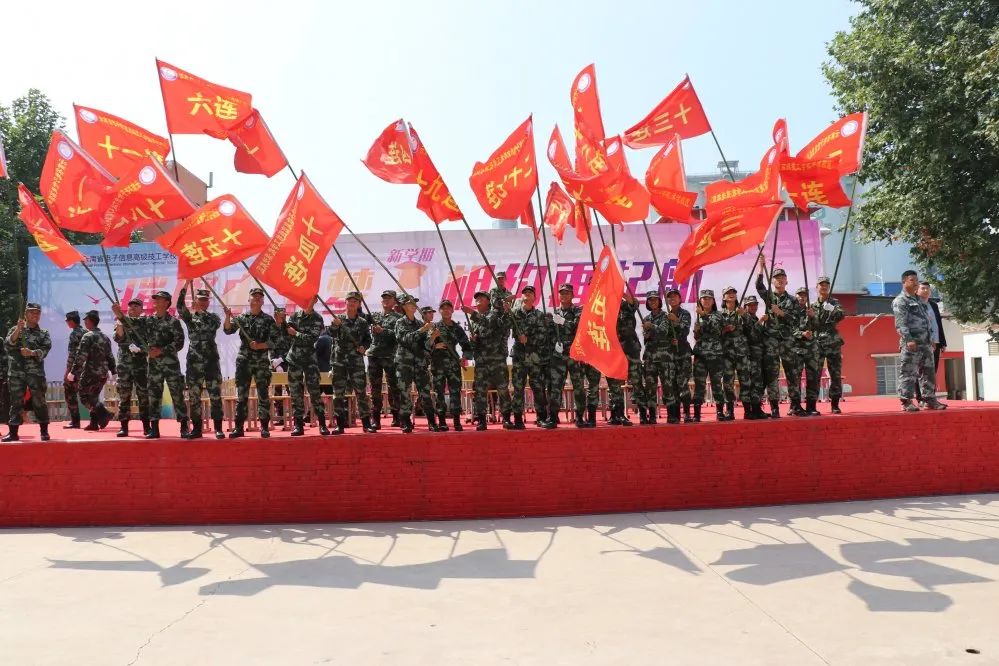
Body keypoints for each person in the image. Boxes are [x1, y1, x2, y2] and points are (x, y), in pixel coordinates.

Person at [114, 291, 189, 439]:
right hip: (154, 365)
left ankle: (184, 427)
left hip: (171, 365)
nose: (155, 301)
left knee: (177, 395)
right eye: (154, 299)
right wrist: (120, 315)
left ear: (166, 303)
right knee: (154, 396)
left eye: (158, 299)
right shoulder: (148, 320)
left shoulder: (174, 322)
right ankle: (154, 429)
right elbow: (131, 323)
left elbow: (179, 343)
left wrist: (161, 350)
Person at [223, 287, 279, 438]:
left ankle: (264, 427)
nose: (257, 299)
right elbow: (228, 330)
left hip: (261, 362)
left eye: (260, 297)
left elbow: (275, 341)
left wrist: (260, 346)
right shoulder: (241, 318)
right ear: (249, 300)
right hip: (244, 361)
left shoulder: (268, 320)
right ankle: (239, 427)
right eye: (254, 296)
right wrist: (227, 317)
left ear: (263, 301)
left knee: (263, 395)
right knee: (242, 396)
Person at [892, 270, 947, 412]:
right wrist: (909, 340)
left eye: (916, 280)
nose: (915, 283)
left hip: (926, 343)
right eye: (912, 280)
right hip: (912, 344)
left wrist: (931, 339)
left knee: (928, 373)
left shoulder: (919, 300)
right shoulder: (900, 300)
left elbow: (927, 321)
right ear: (904, 282)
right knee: (908, 373)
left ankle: (929, 399)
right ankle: (906, 401)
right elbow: (901, 324)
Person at [757, 257, 805, 416]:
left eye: (782, 278)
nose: (779, 280)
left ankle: (795, 405)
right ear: (773, 281)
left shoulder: (793, 300)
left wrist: (781, 313)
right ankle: (774, 407)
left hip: (787, 342)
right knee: (772, 374)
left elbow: (797, 320)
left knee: (792, 374)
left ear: (786, 281)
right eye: (776, 278)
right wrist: (761, 268)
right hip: (771, 341)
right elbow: (759, 286)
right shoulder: (769, 297)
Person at [177, 284, 224, 439]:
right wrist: (185, 285)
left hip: (211, 362)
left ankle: (218, 428)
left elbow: (213, 326)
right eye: (200, 300)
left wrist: (200, 311)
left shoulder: (214, 317)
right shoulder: (190, 318)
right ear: (195, 300)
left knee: (215, 396)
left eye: (205, 300)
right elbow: (179, 306)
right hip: (194, 362)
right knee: (194, 397)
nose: (203, 302)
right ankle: (197, 429)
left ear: (208, 302)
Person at [3, 303, 53, 442]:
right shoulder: (16, 329)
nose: (35, 315)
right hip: (16, 372)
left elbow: (45, 350)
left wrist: (32, 352)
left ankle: (44, 431)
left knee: (39, 401)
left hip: (35, 373)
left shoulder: (43, 333)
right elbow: (8, 344)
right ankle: (13, 432)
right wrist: (18, 329)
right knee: (16, 402)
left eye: (37, 313)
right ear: (25, 314)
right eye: (32, 312)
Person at [465, 290, 513, 431]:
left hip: (497, 360)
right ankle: (481, 420)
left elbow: (489, 324)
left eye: (482, 298)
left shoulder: (494, 314)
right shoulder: (474, 323)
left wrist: (472, 313)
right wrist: (473, 341)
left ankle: (506, 418)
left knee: (502, 390)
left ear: (488, 302)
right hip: (481, 362)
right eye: (477, 299)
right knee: (480, 392)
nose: (478, 300)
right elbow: (474, 346)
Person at [284, 295, 331, 437]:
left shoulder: (317, 318)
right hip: (294, 360)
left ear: (315, 300)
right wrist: (283, 325)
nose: (307, 301)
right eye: (305, 298)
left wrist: (296, 333)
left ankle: (322, 424)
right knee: (296, 394)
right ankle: (298, 425)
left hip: (309, 361)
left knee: (315, 393)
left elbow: (311, 339)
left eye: (310, 299)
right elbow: (287, 334)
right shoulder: (294, 317)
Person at [333, 291, 375, 434]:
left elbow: (368, 339)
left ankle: (366, 424)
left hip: (356, 361)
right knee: (338, 393)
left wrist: (364, 347)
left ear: (359, 304)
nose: (352, 303)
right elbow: (331, 334)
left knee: (361, 392)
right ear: (345, 302)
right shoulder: (338, 319)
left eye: (355, 301)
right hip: (340, 361)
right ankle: (340, 424)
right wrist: (335, 326)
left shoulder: (362, 322)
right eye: (349, 301)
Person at [394, 295, 438, 433]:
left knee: (425, 392)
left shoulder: (419, 323)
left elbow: (425, 346)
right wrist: (423, 330)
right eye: (410, 303)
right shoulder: (400, 322)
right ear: (404, 306)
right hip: (404, 363)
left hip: (420, 362)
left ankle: (431, 421)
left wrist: (432, 338)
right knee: (404, 392)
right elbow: (405, 339)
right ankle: (406, 421)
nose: (413, 305)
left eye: (414, 303)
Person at [509, 286, 549, 429]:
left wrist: (529, 339)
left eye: (530, 293)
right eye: (525, 293)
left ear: (534, 298)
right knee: (518, 388)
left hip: (534, 356)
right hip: (519, 356)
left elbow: (543, 335)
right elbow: (502, 324)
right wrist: (504, 308)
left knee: (538, 387)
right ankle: (518, 419)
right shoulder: (514, 313)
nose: (527, 295)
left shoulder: (539, 315)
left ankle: (541, 418)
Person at [429, 299, 471, 432]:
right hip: (438, 364)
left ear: (452, 311)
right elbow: (425, 346)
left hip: (453, 365)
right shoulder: (434, 327)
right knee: (439, 393)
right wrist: (434, 343)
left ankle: (457, 421)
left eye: (449, 308)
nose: (446, 310)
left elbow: (467, 346)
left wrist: (464, 357)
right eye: (443, 308)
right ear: (440, 311)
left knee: (455, 393)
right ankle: (442, 421)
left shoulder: (457, 328)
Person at [70, 310, 115, 431]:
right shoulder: (105, 337)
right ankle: (94, 423)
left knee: (84, 395)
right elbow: (110, 356)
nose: (85, 323)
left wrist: (73, 372)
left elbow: (81, 356)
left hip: (90, 372)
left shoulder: (88, 336)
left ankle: (104, 413)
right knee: (94, 397)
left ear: (90, 321)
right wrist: (114, 371)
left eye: (86, 320)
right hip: (103, 373)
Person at [113, 298, 150, 437]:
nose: (133, 308)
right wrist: (120, 322)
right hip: (124, 366)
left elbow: (150, 344)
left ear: (141, 309)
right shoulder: (121, 321)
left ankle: (146, 426)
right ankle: (124, 427)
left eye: (136, 306)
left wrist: (141, 349)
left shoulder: (144, 322)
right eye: (130, 306)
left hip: (140, 365)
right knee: (124, 396)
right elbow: (118, 338)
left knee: (143, 396)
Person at [607, 292, 645, 427]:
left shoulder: (625, 305)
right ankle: (617, 415)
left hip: (631, 350)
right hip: (612, 351)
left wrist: (620, 291)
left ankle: (644, 415)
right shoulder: (600, 308)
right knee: (614, 386)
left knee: (637, 382)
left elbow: (634, 303)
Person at [719, 286, 757, 420]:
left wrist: (744, 315)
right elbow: (715, 333)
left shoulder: (742, 311)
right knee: (727, 382)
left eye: (733, 292)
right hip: (726, 354)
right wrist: (725, 330)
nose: (731, 294)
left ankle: (748, 410)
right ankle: (729, 411)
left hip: (742, 352)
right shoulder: (719, 314)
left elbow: (752, 329)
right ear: (724, 297)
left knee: (745, 381)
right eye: (728, 293)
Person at [367, 289, 403, 429]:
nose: (386, 300)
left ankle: (397, 416)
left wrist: (384, 331)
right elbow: (360, 318)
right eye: (384, 298)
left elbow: (399, 335)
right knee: (374, 388)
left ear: (394, 301)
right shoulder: (375, 316)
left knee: (394, 387)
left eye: (389, 298)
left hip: (390, 356)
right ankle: (375, 418)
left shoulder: (398, 318)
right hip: (374, 356)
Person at [692, 289, 727, 422]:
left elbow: (716, 330)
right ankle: (697, 413)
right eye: (704, 298)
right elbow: (697, 337)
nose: (706, 301)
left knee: (716, 384)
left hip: (715, 355)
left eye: (709, 298)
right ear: (700, 301)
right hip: (700, 355)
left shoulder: (718, 315)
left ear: (713, 301)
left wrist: (704, 316)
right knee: (699, 385)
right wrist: (696, 331)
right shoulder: (697, 317)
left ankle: (719, 411)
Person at [813, 276, 846, 414]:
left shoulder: (834, 302)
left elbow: (841, 315)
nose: (824, 287)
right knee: (815, 374)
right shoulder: (813, 305)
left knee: (835, 374)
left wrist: (832, 309)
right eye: (821, 284)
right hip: (817, 344)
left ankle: (835, 404)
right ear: (817, 287)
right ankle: (812, 405)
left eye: (826, 284)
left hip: (833, 343)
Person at [641, 291, 671, 424]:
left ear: (659, 301)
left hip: (664, 357)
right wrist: (648, 332)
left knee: (667, 386)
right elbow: (646, 337)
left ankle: (671, 415)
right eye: (650, 300)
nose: (653, 302)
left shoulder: (666, 316)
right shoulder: (646, 318)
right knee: (650, 388)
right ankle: (652, 415)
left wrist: (652, 327)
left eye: (655, 300)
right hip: (650, 358)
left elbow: (664, 332)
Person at [915, 281, 947, 403]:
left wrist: (942, 342)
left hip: (936, 342)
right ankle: (920, 398)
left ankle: (931, 397)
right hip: (922, 343)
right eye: (923, 288)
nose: (926, 291)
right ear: (917, 290)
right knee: (920, 371)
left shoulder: (933, 305)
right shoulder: (914, 305)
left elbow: (938, 324)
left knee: (932, 371)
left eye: (928, 289)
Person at [792, 287, 822, 416]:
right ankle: (795, 406)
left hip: (811, 349)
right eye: (800, 295)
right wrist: (802, 334)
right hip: (796, 349)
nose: (802, 297)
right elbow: (788, 329)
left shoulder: (812, 310)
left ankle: (811, 406)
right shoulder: (791, 311)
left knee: (813, 378)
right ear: (796, 296)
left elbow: (819, 326)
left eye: (804, 295)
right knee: (795, 379)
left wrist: (813, 317)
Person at [742, 296, 769, 419]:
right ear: (745, 307)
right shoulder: (745, 318)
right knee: (752, 383)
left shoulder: (754, 318)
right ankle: (749, 411)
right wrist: (761, 322)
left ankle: (757, 409)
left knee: (759, 383)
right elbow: (752, 335)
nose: (753, 307)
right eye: (750, 305)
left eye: (755, 305)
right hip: (750, 356)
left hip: (758, 356)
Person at [62, 310, 85, 429]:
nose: (67, 323)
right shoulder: (86, 332)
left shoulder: (74, 334)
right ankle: (99, 415)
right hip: (87, 368)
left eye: (67, 320)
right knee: (87, 393)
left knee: (69, 392)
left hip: (76, 368)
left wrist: (68, 370)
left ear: (71, 321)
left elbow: (72, 354)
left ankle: (75, 421)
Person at [270, 307, 291, 426]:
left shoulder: (288, 328)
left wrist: (281, 359)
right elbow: (269, 345)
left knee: (291, 389)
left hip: (287, 362)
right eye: (281, 315)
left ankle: (295, 416)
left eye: (285, 315)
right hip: (275, 363)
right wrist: (274, 362)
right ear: (275, 315)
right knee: (277, 391)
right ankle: (280, 416)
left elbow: (292, 346)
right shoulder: (271, 328)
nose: (283, 317)